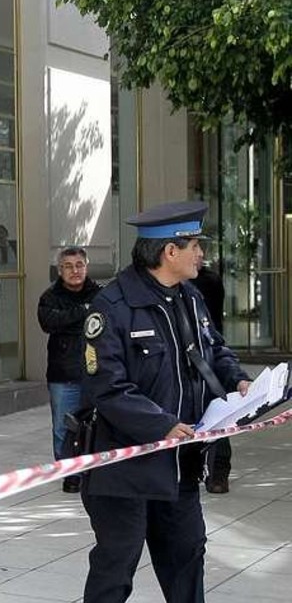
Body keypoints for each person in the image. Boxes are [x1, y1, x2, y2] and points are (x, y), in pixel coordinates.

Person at [81, 201, 251, 603]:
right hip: (126, 467)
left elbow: (214, 348)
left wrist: (238, 379)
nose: (201, 254)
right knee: (116, 567)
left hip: (179, 465)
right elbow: (107, 387)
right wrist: (161, 425)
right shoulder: (113, 307)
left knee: (187, 558)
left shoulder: (190, 297)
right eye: (195, 245)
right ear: (169, 251)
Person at [37, 246, 101, 493]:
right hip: (63, 374)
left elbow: (105, 323)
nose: (75, 270)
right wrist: (84, 312)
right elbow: (49, 323)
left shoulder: (101, 294)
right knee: (64, 427)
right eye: (68, 266)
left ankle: (94, 470)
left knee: (99, 424)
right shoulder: (49, 297)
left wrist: (70, 319)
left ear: (86, 266)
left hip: (96, 372)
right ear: (59, 270)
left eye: (79, 265)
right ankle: (70, 474)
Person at [191, 262, 233, 493]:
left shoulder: (205, 284)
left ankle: (219, 470)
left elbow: (211, 330)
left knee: (216, 413)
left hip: (206, 358)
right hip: (184, 364)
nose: (198, 255)